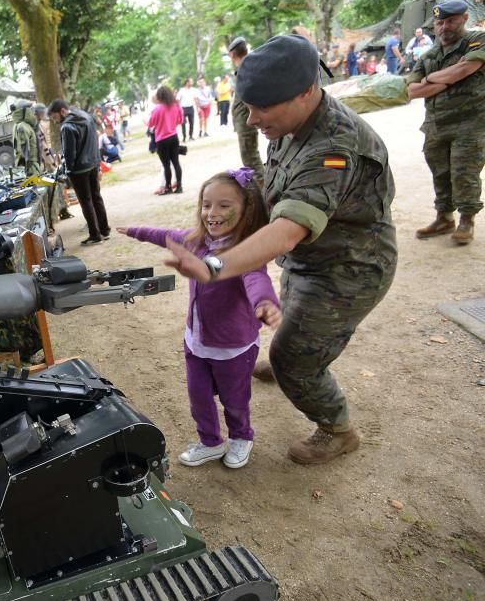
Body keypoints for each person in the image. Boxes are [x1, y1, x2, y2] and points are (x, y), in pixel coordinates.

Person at [162, 35, 397, 465]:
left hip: (348, 268)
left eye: (261, 108)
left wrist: (215, 264)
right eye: (247, 107)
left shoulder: (333, 145)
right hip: (309, 259)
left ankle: (337, 428)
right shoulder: (290, 123)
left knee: (294, 359)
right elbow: (273, 191)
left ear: (306, 92)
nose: (251, 120)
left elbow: (287, 230)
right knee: (287, 328)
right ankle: (289, 357)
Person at [116, 168, 281, 469]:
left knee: (234, 400)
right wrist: (137, 231)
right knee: (199, 397)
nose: (212, 213)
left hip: (234, 348)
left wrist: (266, 303)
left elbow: (256, 279)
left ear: (247, 210)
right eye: (206, 204)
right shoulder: (196, 242)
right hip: (197, 342)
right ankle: (210, 442)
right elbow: (165, 236)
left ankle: (241, 437)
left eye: (224, 205)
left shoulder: (245, 253)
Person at [406, 0, 485, 246]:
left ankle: (466, 220)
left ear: (463, 19)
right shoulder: (430, 54)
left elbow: (464, 70)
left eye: (450, 21)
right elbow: (411, 90)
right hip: (436, 125)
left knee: (464, 172)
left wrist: (430, 80)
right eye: (439, 22)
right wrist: (442, 80)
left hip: (470, 123)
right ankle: (444, 217)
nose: (443, 27)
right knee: (440, 173)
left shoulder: (477, 41)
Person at [47, 99, 110, 245]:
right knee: (96, 197)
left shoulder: (67, 127)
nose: (56, 122)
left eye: (55, 117)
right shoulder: (86, 117)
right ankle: (104, 230)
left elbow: (69, 153)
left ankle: (95, 235)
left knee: (86, 201)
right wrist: (97, 163)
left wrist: (67, 171)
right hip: (93, 165)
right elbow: (94, 142)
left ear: (62, 111)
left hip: (79, 170)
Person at [228, 37, 264, 175]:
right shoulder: (248, 67)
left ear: (232, 54)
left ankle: (264, 191)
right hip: (245, 119)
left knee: (250, 159)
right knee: (250, 158)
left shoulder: (245, 69)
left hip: (246, 120)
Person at [147, 85, 184, 194]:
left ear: (159, 96)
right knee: (176, 163)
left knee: (166, 164)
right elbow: (180, 120)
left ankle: (168, 187)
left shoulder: (157, 109)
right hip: (173, 136)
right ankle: (179, 186)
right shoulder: (176, 106)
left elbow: (151, 123)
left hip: (162, 140)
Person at [11, 100, 42, 177]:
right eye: (31, 110)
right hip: (31, 169)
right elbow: (23, 152)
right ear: (25, 111)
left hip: (34, 167)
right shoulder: (22, 127)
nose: (33, 112)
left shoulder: (23, 125)